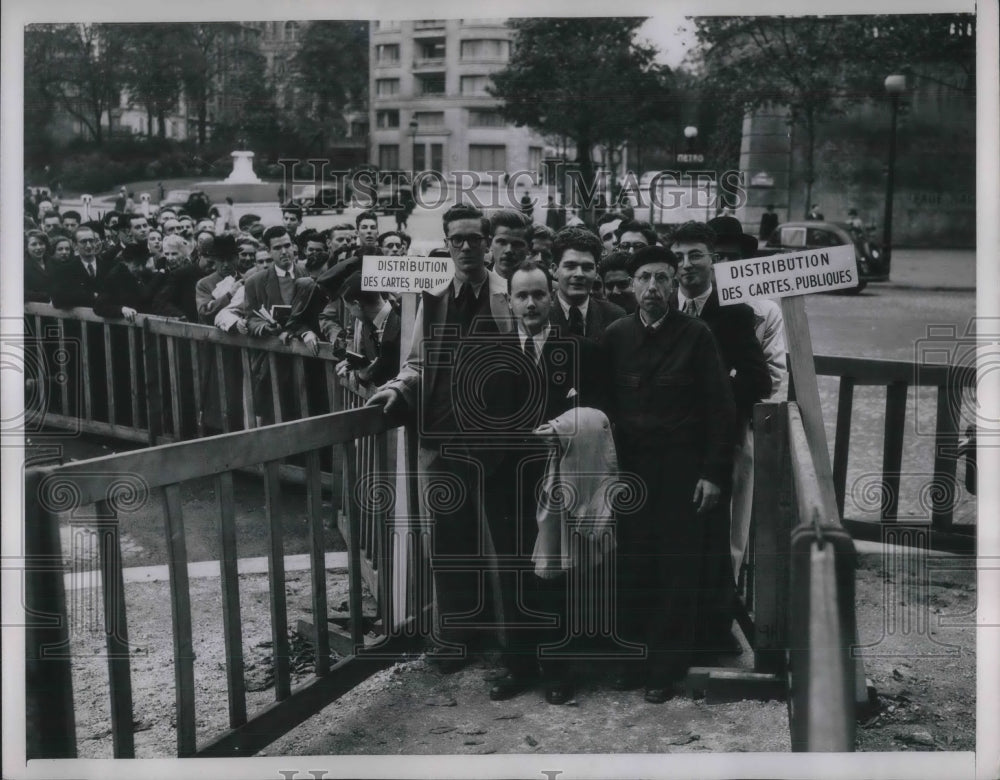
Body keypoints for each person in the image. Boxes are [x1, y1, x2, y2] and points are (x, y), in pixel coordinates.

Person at [365, 203, 517, 685]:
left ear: (488, 242)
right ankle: (455, 635)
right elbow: (416, 363)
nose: (467, 247)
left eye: (476, 239)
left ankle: (511, 643)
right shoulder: (433, 298)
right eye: (458, 240)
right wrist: (396, 387)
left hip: (498, 443)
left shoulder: (509, 293)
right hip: (444, 437)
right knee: (450, 542)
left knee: (505, 543)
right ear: (447, 244)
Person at [601, 245, 737, 703]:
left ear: (674, 282)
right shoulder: (616, 334)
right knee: (633, 565)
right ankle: (631, 661)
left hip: (681, 473)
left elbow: (721, 410)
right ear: (632, 284)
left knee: (677, 570)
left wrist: (712, 473)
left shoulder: (696, 335)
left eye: (662, 278)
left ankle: (664, 667)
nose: (654, 288)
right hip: (632, 474)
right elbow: (603, 410)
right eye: (644, 278)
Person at [491, 258, 611, 704]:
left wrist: (565, 428)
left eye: (539, 294)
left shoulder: (580, 350)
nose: (531, 303)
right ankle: (518, 666)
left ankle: (559, 669)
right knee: (512, 574)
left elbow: (599, 414)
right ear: (510, 300)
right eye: (521, 295)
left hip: (560, 479)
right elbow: (477, 418)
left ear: (552, 293)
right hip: (505, 481)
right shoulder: (490, 351)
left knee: (555, 573)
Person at [669, 220, 772, 655]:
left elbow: (758, 380)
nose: (686, 265)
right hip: (673, 446)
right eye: (677, 256)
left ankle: (718, 625)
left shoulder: (734, 312)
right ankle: (678, 622)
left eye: (695, 255)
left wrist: (714, 397)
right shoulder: (661, 307)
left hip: (724, 439)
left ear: (713, 260)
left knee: (728, 535)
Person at [548, 226, 627, 341]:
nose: (579, 274)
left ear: (596, 271)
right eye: (570, 266)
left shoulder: (615, 316)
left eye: (587, 267)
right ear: (555, 270)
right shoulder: (542, 316)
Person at [335, 272, 401, 388]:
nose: (351, 314)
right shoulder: (365, 326)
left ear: (357, 304)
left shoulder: (403, 322)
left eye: (349, 309)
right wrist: (358, 372)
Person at [49, 225, 113, 309]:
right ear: (74, 245)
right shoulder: (65, 270)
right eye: (83, 242)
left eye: (91, 241)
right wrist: (92, 296)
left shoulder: (109, 267)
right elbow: (58, 299)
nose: (89, 246)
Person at [488, 210, 532, 279]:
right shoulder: (470, 285)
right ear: (490, 243)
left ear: (529, 248)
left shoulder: (544, 287)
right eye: (502, 242)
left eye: (517, 244)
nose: (509, 250)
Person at [24, 230, 51, 303]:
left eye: (41, 243)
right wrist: (49, 296)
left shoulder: (53, 262)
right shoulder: (23, 266)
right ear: (26, 247)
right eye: (34, 244)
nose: (38, 247)